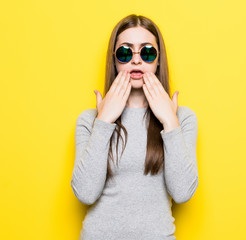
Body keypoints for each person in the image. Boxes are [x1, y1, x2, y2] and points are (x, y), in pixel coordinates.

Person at [70, 14, 199, 240]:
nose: (136, 60)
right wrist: (104, 122)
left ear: (158, 60)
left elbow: (182, 193)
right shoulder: (90, 120)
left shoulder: (182, 118)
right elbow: (85, 193)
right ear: (114, 61)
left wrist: (169, 121)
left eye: (147, 52)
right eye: (125, 52)